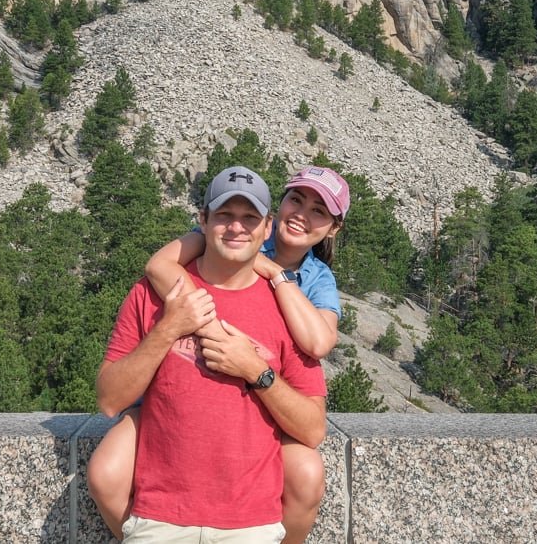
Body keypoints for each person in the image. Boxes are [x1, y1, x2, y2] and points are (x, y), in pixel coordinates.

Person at [89, 165, 350, 543]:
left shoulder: (307, 286)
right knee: (106, 472)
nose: (236, 227)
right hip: (163, 449)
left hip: (255, 458)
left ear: (264, 224)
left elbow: (317, 345)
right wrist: (179, 322)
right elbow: (158, 266)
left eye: (319, 211)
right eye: (297, 200)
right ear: (205, 220)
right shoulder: (191, 266)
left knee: (306, 474)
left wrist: (274, 281)